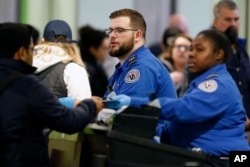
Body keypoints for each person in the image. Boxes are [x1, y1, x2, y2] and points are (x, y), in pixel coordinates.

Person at [105, 29, 250, 166]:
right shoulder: (203, 81)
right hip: (207, 158)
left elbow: (184, 110)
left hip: (221, 161)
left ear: (218, 54)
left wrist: (134, 102)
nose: (191, 54)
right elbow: (183, 125)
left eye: (199, 49)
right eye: (191, 49)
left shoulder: (218, 84)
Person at [0, 22, 104, 167]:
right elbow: (70, 122)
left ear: (42, 41)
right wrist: (90, 105)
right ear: (21, 53)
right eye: (31, 49)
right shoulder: (29, 85)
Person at [103, 8, 177, 137]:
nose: (112, 35)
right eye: (110, 30)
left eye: (119, 30)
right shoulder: (123, 67)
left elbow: (132, 118)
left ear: (137, 35)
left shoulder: (143, 67)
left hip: (149, 146)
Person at [212, 0, 250, 139]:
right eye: (228, 19)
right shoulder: (209, 52)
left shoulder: (241, 48)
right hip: (226, 129)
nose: (233, 24)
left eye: (236, 19)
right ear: (216, 22)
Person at [32, 19, 91, 100]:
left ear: (42, 41)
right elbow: (84, 108)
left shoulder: (25, 64)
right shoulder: (73, 70)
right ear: (70, 44)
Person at [78, 25, 109, 97]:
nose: (107, 52)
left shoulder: (97, 66)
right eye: (104, 49)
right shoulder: (88, 69)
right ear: (93, 49)